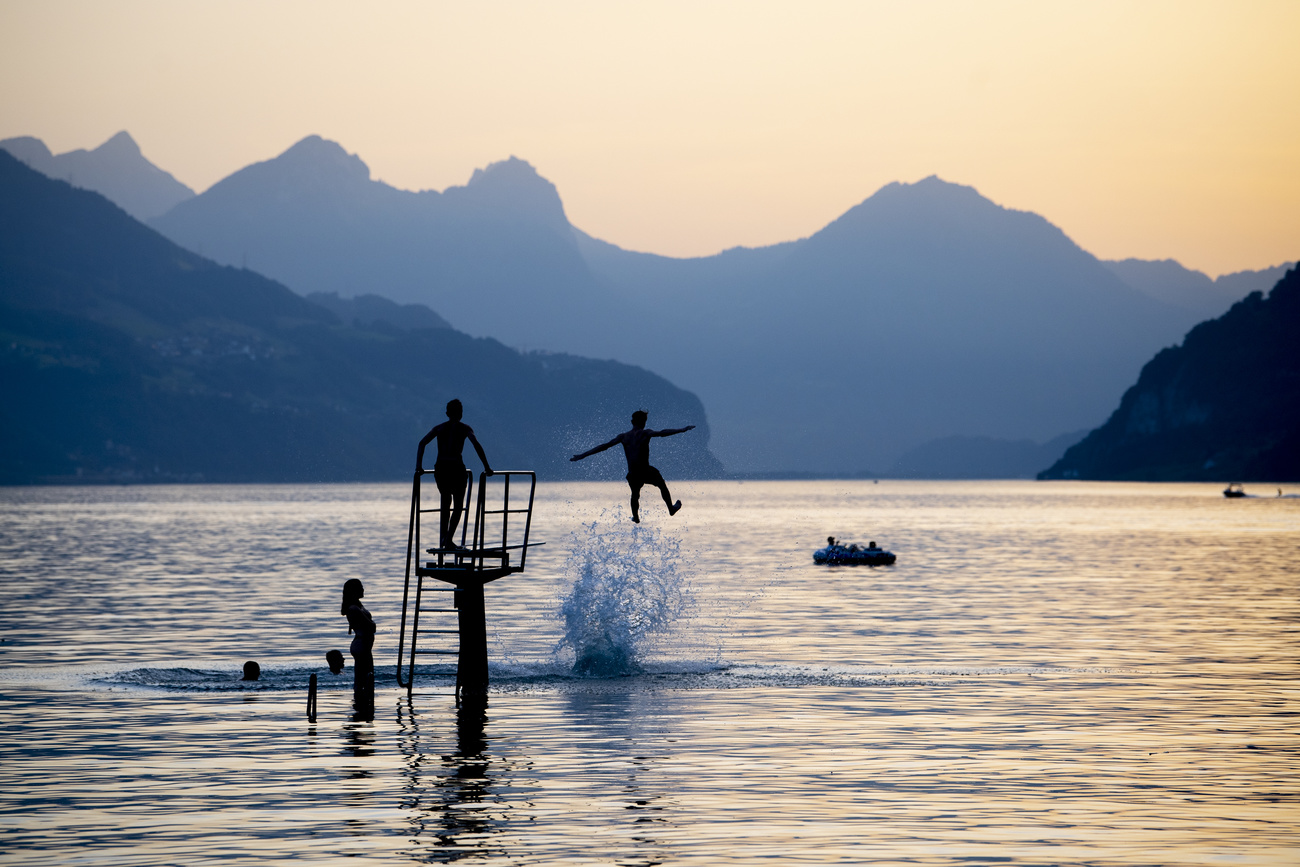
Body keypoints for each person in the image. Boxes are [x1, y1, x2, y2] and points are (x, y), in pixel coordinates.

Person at [570, 410, 695, 522]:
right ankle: (671, 509)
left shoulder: (623, 437)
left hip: (633, 473)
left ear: (632, 422)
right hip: (645, 470)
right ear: (644, 422)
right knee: (661, 485)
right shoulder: (645, 433)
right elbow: (662, 433)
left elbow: (604, 446)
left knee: (635, 494)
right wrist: (681, 430)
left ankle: (635, 516)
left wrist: (582, 455)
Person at [416, 399, 493, 549]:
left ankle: (444, 538)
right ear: (461, 413)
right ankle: (448, 539)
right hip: (456, 468)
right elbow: (476, 444)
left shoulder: (439, 428)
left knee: (445, 503)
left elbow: (422, 443)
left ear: (447, 413)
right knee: (458, 506)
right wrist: (487, 467)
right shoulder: (464, 428)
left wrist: (419, 466)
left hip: (441, 468)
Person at [341, 579, 376, 674]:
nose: (363, 589)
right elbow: (371, 627)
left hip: (364, 644)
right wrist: (372, 623)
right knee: (363, 677)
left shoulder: (358, 606)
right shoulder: (353, 608)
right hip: (361, 645)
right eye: (360, 587)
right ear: (354, 591)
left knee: (368, 675)